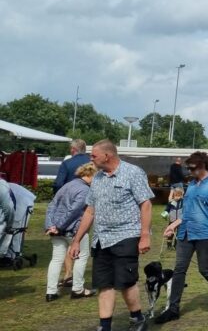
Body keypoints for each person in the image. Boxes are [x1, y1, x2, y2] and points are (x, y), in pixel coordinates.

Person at [69, 139, 154, 331]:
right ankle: (104, 326)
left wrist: (145, 236)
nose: (91, 158)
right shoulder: (97, 179)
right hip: (101, 239)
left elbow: (146, 204)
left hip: (126, 235)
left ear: (107, 155)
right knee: (104, 284)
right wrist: (76, 241)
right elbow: (90, 211)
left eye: (94, 155)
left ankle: (137, 318)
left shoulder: (133, 173)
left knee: (125, 282)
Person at [153, 151, 208, 323]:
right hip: (186, 233)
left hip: (206, 234)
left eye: (191, 168)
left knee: (205, 269)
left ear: (202, 166)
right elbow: (187, 211)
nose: (189, 171)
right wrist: (173, 225)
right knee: (179, 270)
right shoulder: (192, 186)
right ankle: (173, 309)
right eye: (188, 168)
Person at [44, 162, 97, 301]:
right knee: (81, 256)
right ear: (92, 175)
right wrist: (60, 226)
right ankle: (78, 289)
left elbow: (52, 205)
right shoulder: (85, 190)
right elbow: (73, 211)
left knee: (56, 259)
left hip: (56, 230)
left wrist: (51, 226)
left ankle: (51, 291)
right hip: (72, 230)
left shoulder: (66, 186)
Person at [52, 138, 90, 288]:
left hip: (67, 205)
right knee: (80, 237)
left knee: (66, 237)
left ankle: (68, 273)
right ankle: (75, 277)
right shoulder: (92, 163)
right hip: (88, 206)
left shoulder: (67, 164)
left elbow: (58, 184)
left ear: (73, 150)